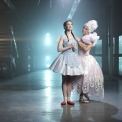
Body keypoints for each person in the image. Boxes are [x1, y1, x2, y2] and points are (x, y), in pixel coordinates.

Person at [49, 20, 84, 105]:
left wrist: (74, 47)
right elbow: (59, 49)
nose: (70, 25)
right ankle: (64, 99)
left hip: (73, 58)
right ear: (65, 27)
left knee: (70, 80)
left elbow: (74, 49)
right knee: (65, 79)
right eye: (68, 24)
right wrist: (69, 47)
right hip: (64, 57)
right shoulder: (62, 36)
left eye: (71, 24)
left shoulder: (75, 36)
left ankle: (69, 98)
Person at [77, 20, 104, 103]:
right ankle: (82, 95)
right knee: (80, 78)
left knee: (86, 77)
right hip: (79, 58)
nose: (84, 30)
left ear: (89, 31)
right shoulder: (82, 38)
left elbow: (85, 49)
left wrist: (79, 41)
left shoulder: (88, 39)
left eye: (86, 29)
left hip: (86, 60)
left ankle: (84, 94)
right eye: (83, 28)